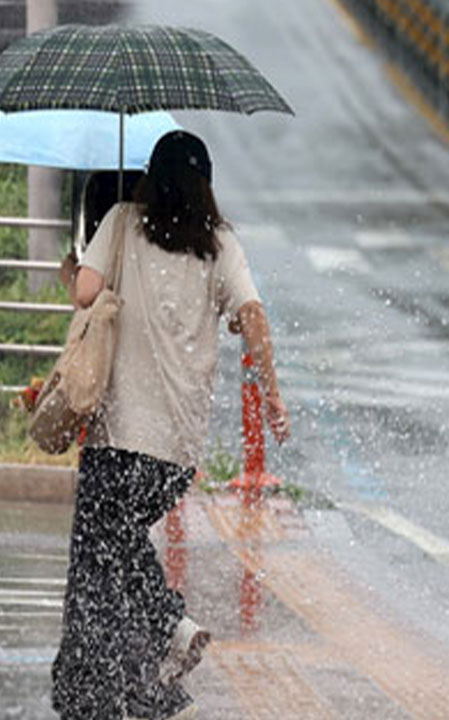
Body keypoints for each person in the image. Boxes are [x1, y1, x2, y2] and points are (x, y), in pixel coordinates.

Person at [52, 132, 290, 720]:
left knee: (99, 553)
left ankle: (153, 639)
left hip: (118, 435)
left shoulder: (123, 221)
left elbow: (84, 292)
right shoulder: (219, 243)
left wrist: (76, 267)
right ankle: (137, 685)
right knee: (114, 547)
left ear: (147, 178)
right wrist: (274, 396)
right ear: (205, 185)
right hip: (177, 449)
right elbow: (252, 315)